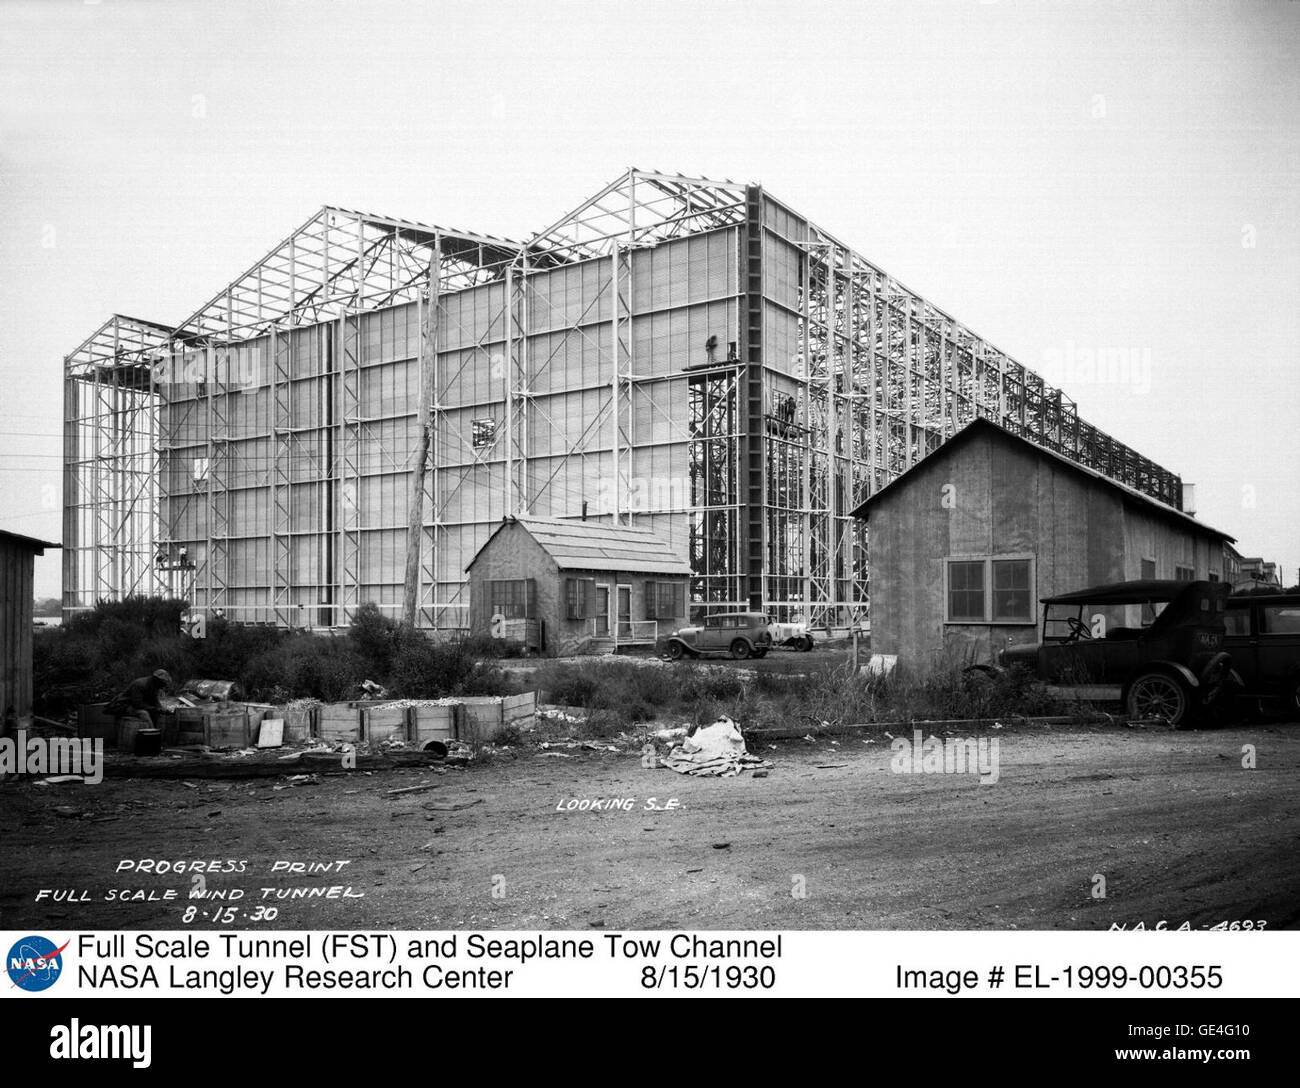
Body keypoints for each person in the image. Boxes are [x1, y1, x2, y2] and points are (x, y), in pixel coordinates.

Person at [105, 669, 173, 730]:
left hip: (134, 705)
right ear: (157, 680)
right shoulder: (140, 684)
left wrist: (162, 709)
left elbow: (155, 701)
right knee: (144, 713)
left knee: (158, 713)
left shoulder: (154, 687)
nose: (163, 685)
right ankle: (152, 735)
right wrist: (155, 709)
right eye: (163, 683)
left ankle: (159, 734)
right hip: (123, 705)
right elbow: (137, 704)